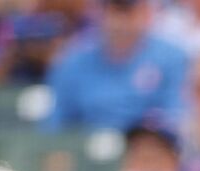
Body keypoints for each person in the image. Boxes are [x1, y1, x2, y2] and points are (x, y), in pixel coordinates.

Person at [43, 0, 189, 131]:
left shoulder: (172, 58)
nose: (121, 22)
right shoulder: (72, 60)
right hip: (88, 150)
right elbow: (56, 123)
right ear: (99, 13)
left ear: (146, 12)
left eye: (128, 12)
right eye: (114, 11)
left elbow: (176, 117)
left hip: (148, 148)